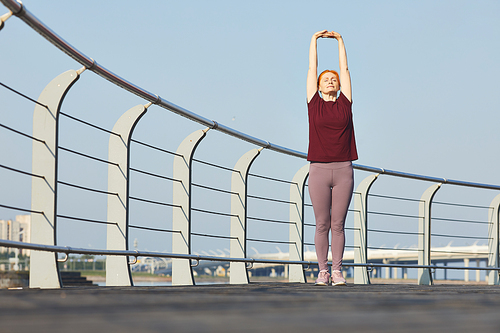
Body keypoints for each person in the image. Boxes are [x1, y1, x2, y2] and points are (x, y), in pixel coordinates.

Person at [306, 30, 358, 286]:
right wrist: (314, 40)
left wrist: (340, 41)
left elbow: (345, 69)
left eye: (333, 79)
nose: (330, 81)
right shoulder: (313, 103)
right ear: (317, 85)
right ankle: (322, 271)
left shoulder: (345, 103)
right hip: (318, 170)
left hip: (343, 169)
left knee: (338, 224)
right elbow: (311, 66)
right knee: (321, 224)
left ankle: (337, 271)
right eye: (325, 79)